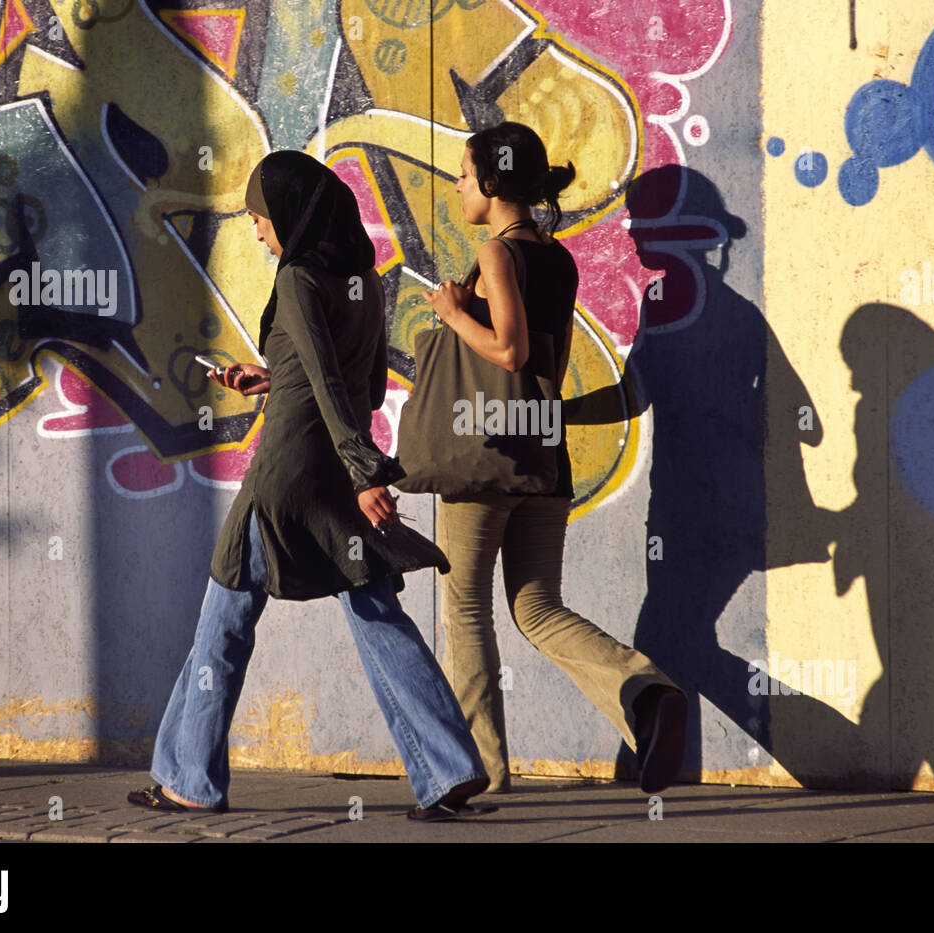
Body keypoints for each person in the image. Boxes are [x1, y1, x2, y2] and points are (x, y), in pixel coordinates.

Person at [129, 150, 489, 821]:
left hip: (289, 475)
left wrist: (361, 470)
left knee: (223, 615)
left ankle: (186, 777)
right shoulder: (362, 279)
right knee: (376, 612)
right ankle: (447, 767)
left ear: (290, 215)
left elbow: (324, 383)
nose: (259, 233)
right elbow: (362, 383)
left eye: (260, 219)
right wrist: (271, 378)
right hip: (335, 472)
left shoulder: (297, 279)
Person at [421, 122, 688, 794]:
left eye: (463, 172)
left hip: (484, 450)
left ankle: (479, 771)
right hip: (543, 456)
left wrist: (455, 313)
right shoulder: (561, 261)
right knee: (537, 605)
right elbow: (552, 366)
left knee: (466, 608)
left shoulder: (495, 254)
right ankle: (645, 690)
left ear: (492, 182)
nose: (457, 184)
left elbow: (510, 352)